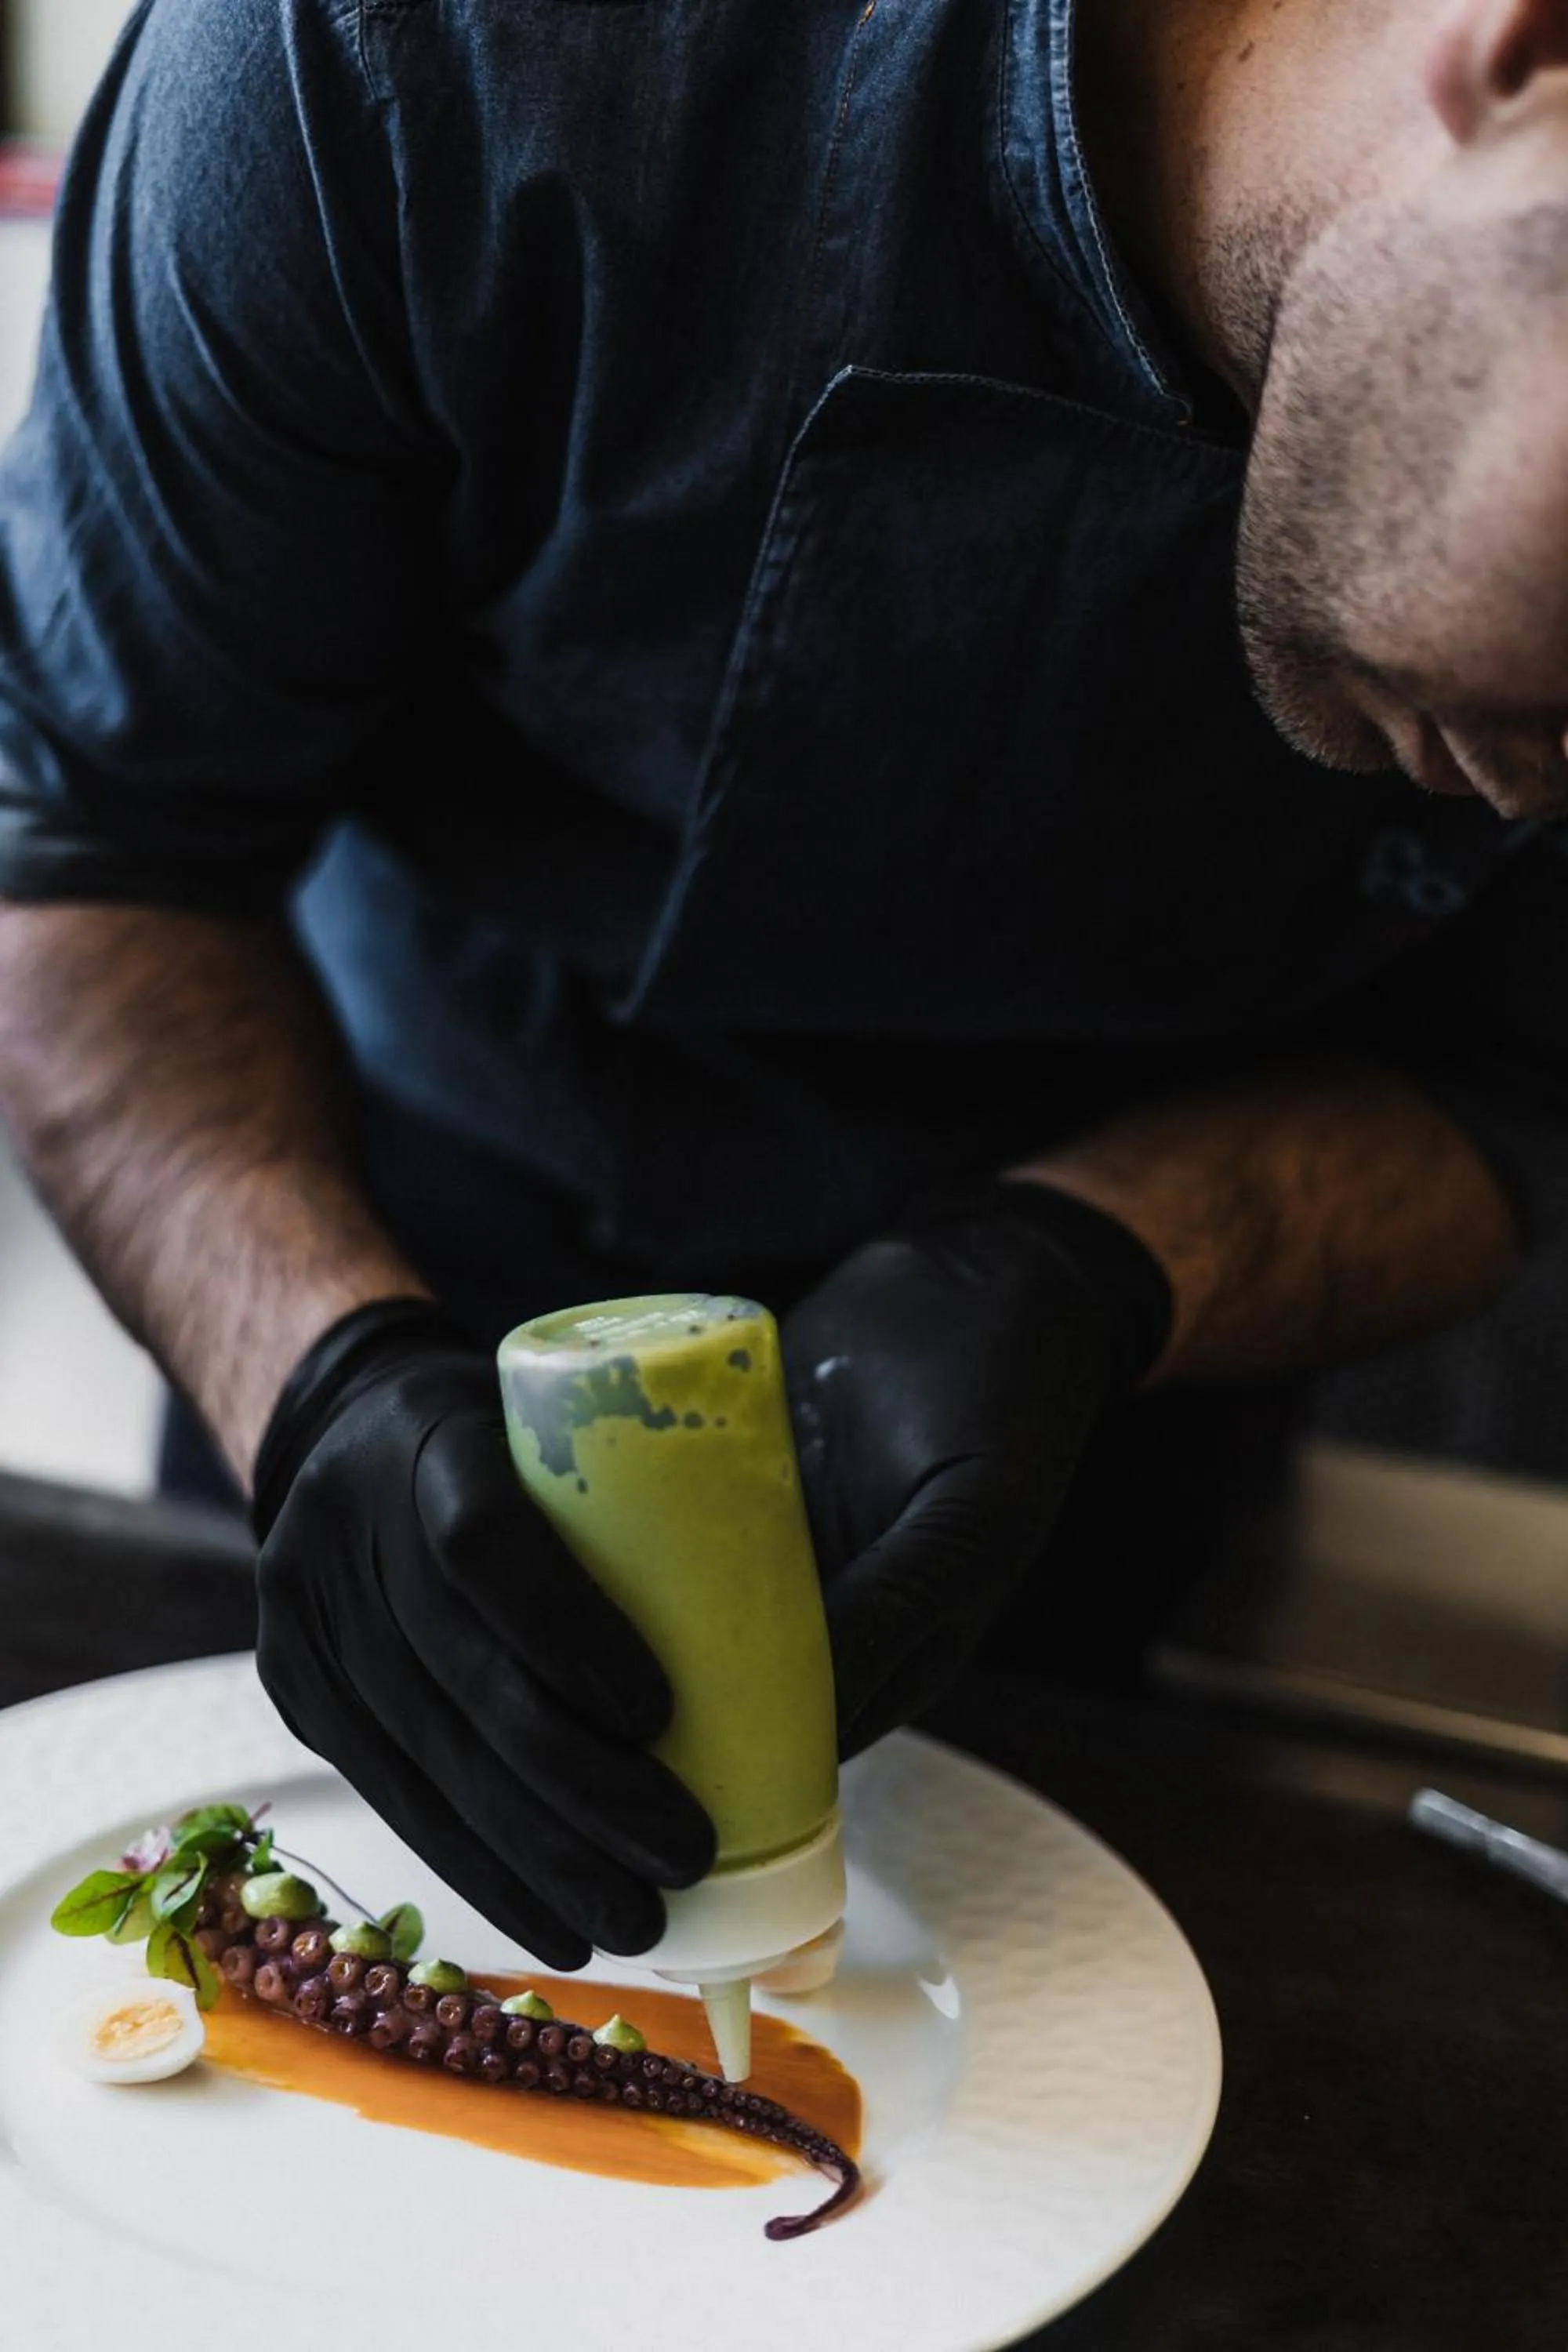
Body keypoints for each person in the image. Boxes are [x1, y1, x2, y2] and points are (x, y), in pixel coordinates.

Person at [0, 0, 1564, 1969]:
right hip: (398, 1268)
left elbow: (1511, 1086)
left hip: (1095, 1441)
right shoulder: (400, 60)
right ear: (1524, 50)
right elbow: (85, 856)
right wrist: (313, 1384)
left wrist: (1079, 1269)